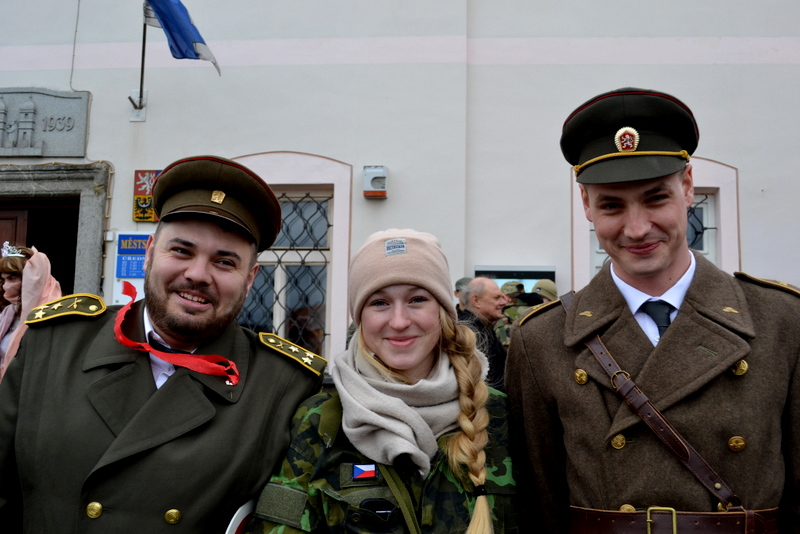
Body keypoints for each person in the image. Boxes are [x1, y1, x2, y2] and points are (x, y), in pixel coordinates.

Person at [506, 87, 800, 532]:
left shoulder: (781, 320)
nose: (637, 228)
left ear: (688, 187)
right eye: (611, 205)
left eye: (656, 198)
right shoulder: (542, 339)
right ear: (586, 204)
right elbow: (539, 505)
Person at [0, 155, 327, 533]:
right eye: (182, 251)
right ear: (150, 252)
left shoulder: (285, 385)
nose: (198, 274)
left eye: (224, 262)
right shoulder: (54, 344)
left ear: (250, 278)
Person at [248, 229, 517, 534]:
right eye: (379, 302)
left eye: (417, 299)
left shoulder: (500, 414)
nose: (399, 321)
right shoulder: (321, 420)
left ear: (443, 311)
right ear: (360, 318)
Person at [0, 242, 61, 378]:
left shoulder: (54, 314)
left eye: (12, 278)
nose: (6, 286)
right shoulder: (8, 312)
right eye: (4, 280)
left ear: (32, 278)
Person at [460, 277, 508, 391]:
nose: (504, 302)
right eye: (497, 298)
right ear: (476, 301)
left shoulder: (483, 328)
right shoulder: (469, 333)